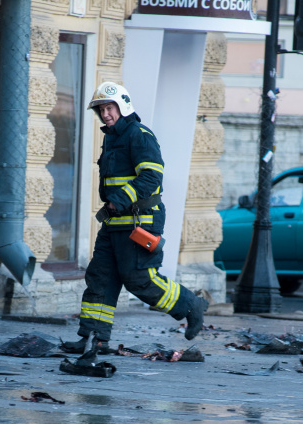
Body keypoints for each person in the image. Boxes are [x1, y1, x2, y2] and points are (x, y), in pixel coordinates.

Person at [61, 82, 208, 354]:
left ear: (123, 106)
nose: (105, 114)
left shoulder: (139, 135)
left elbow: (152, 176)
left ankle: (190, 305)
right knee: (100, 278)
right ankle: (95, 339)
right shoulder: (112, 137)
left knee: (140, 280)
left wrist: (119, 199)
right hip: (114, 223)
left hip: (141, 221)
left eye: (109, 108)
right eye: (101, 110)